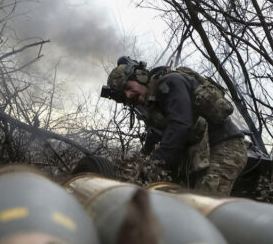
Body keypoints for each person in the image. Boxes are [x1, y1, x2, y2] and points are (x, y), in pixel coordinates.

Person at [104, 57, 247, 196]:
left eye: (128, 87)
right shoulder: (155, 103)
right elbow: (157, 135)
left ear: (140, 77)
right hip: (200, 154)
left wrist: (154, 162)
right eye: (124, 94)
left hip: (225, 148)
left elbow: (180, 125)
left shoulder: (170, 82)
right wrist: (142, 160)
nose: (128, 95)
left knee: (204, 206)